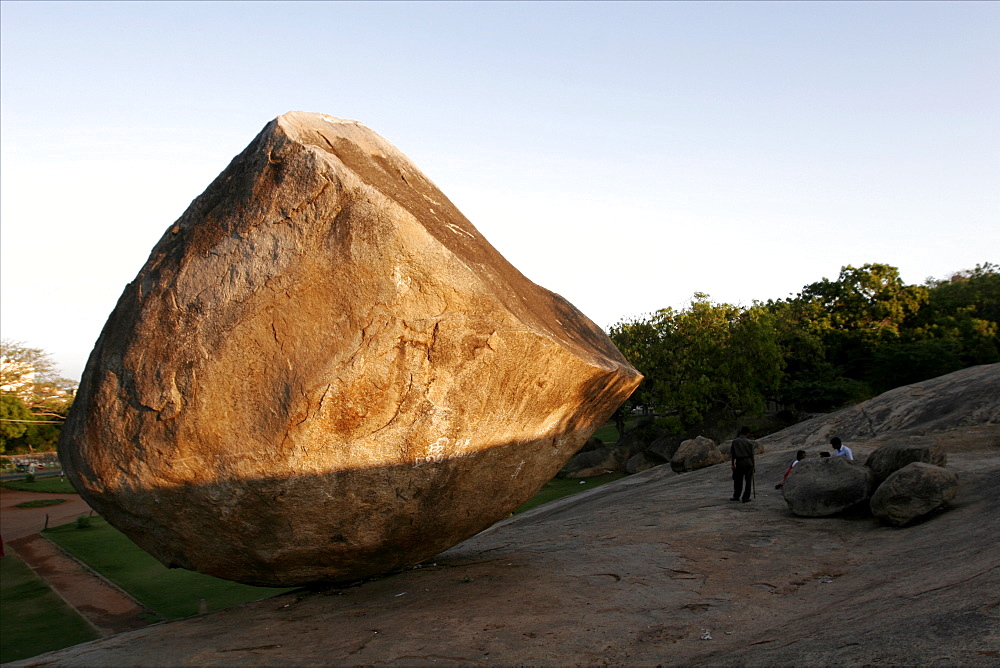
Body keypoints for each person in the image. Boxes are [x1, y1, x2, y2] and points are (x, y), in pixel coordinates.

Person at [730, 426, 756, 502]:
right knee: (748, 480)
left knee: (738, 480)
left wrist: (732, 464)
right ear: (747, 433)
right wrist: (753, 466)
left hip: (739, 462)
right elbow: (752, 455)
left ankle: (736, 496)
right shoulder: (749, 442)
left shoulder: (735, 442)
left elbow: (733, 454)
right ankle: (746, 497)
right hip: (748, 462)